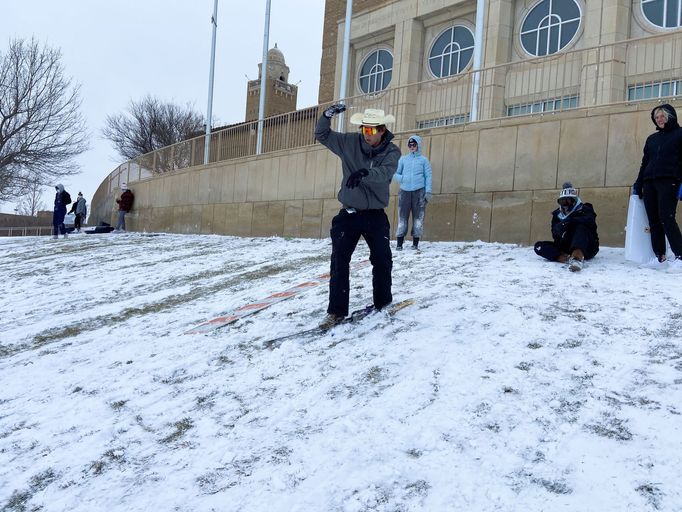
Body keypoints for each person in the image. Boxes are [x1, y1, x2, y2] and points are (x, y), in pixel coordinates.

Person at [315, 105, 401, 328]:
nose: (367, 135)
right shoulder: (349, 142)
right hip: (349, 213)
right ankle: (336, 312)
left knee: (382, 258)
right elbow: (322, 135)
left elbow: (385, 174)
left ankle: (383, 302)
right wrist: (327, 116)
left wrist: (365, 173)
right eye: (365, 129)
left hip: (375, 215)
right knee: (339, 261)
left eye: (372, 131)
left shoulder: (392, 151)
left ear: (382, 130)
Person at [633, 104, 682, 270]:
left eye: (662, 116)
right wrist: (639, 184)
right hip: (649, 182)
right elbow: (644, 163)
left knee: (666, 217)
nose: (659, 119)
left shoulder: (680, 134)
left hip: (669, 181)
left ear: (670, 116)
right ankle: (660, 257)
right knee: (653, 220)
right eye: (656, 117)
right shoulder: (651, 139)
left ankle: (680, 255)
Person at [534, 182, 599, 272]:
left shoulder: (585, 209)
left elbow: (590, 221)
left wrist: (570, 221)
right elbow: (555, 234)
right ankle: (566, 258)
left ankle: (577, 258)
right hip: (566, 246)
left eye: (568, 201)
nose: (565, 204)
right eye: (562, 201)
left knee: (581, 227)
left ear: (574, 200)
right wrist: (560, 228)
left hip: (586, 247)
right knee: (539, 246)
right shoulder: (557, 214)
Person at [393, 134, 432, 251]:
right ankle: (399, 243)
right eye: (410, 144)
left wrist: (428, 191)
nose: (412, 146)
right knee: (402, 217)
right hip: (405, 192)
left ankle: (415, 243)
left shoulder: (424, 160)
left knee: (418, 218)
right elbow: (395, 174)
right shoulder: (403, 159)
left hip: (419, 192)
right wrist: (403, 179)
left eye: (414, 144)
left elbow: (428, 176)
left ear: (418, 145)